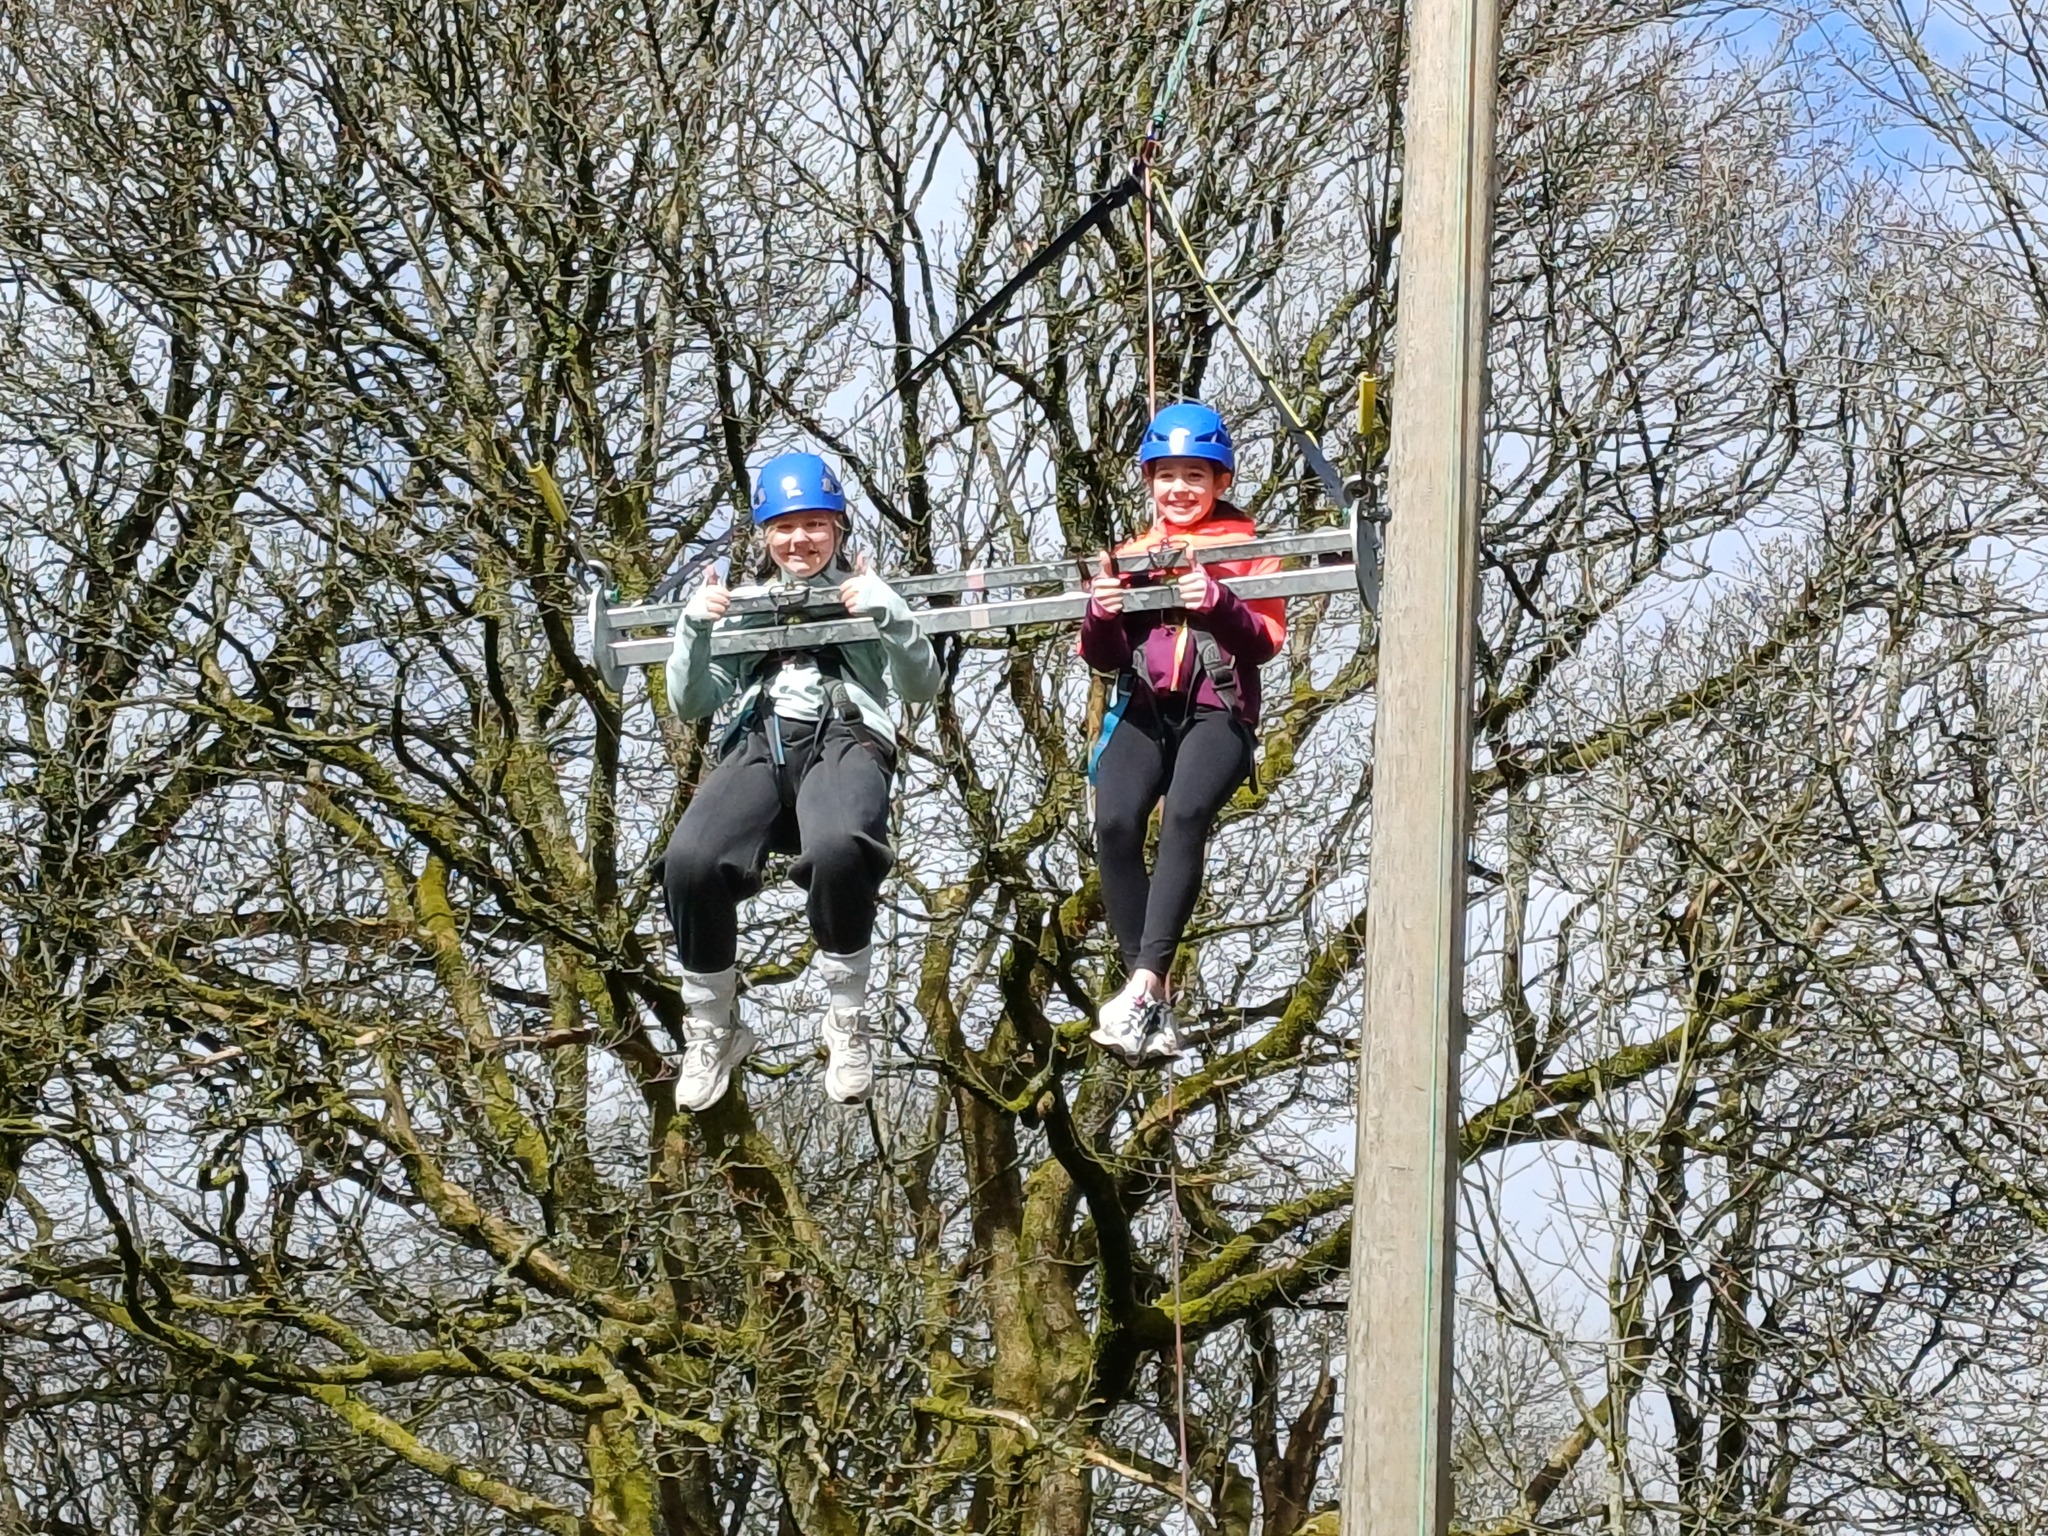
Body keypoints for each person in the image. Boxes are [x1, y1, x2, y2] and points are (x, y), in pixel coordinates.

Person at [660, 451, 940, 1111]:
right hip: (759, 741)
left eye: (814, 525)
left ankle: (846, 1018)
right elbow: (691, 700)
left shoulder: (864, 594)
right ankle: (713, 1026)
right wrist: (694, 629)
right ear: (765, 536)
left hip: (843, 737)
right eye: (784, 528)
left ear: (837, 529)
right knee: (690, 860)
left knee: (842, 846)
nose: (799, 541)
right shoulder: (746, 608)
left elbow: (920, 684)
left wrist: (890, 612)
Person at [1078, 402, 1286, 1062]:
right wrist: (1102, 613)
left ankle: (1145, 981)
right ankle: (1147, 990)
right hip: (1144, 707)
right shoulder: (1130, 555)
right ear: (1149, 481)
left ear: (1220, 482)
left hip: (1217, 709)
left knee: (1186, 814)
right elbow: (1104, 657)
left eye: (1195, 476)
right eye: (1167, 476)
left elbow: (1264, 642)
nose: (1180, 490)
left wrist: (1217, 602)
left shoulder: (1249, 550)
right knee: (1115, 822)